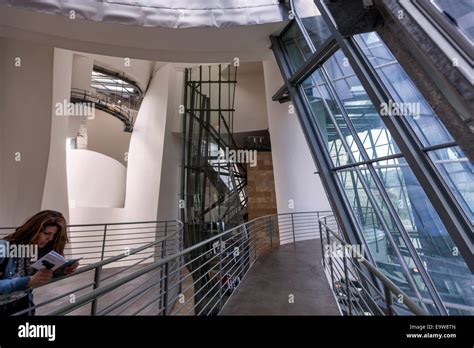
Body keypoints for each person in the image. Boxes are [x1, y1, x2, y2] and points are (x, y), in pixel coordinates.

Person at [0, 210, 79, 315]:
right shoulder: (3, 247)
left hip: (24, 305)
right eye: (46, 233)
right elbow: (29, 279)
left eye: (54, 235)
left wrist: (63, 269)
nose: (50, 239)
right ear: (33, 230)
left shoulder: (39, 250)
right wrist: (27, 281)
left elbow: (37, 274)